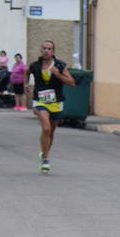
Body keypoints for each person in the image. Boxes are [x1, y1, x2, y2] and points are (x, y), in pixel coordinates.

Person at [28, 41, 74, 173]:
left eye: (49, 49)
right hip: (40, 101)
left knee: (51, 132)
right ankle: (46, 159)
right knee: (46, 128)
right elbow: (26, 72)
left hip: (56, 102)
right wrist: (26, 85)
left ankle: (44, 153)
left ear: (53, 51)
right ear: (40, 50)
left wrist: (58, 75)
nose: (46, 51)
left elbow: (72, 83)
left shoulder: (60, 65)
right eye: (44, 48)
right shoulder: (35, 66)